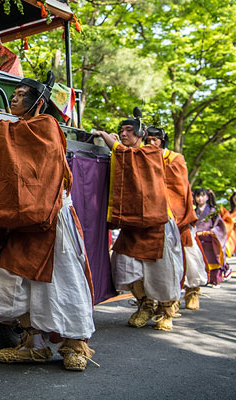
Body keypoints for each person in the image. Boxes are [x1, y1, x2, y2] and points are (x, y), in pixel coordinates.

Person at [0, 74, 95, 372]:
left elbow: (7, 137)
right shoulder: (19, 130)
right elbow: (4, 163)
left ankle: (75, 345)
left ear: (38, 103)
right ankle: (33, 344)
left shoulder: (45, 126)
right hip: (26, 224)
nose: (14, 98)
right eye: (15, 93)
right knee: (10, 282)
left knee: (63, 284)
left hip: (52, 219)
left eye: (22, 94)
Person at [94, 110, 183, 331]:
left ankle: (166, 310)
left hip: (157, 222)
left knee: (160, 269)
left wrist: (112, 143)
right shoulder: (124, 154)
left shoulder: (151, 153)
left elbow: (131, 157)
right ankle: (145, 305)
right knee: (124, 264)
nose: (123, 134)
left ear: (140, 134)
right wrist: (114, 148)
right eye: (121, 131)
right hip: (132, 222)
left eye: (128, 131)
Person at [145, 127, 205, 310]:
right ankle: (158, 298)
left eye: (155, 139)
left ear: (163, 141)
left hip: (176, 214)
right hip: (154, 214)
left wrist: (175, 214)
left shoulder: (175, 158)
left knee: (189, 252)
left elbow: (179, 188)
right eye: (148, 139)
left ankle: (192, 289)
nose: (151, 142)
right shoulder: (144, 156)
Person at [193, 188, 229, 287]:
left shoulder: (213, 211)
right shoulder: (193, 211)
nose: (200, 198)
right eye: (198, 196)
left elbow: (219, 225)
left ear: (207, 197)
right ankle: (204, 279)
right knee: (200, 259)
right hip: (198, 240)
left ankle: (215, 280)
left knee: (214, 258)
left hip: (211, 240)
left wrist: (213, 232)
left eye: (202, 196)